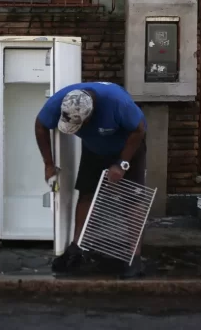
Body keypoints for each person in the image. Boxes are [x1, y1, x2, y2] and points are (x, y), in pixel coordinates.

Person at [35, 82, 147, 279]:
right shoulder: (60, 102)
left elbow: (139, 130)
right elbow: (41, 125)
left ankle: (134, 257)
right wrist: (48, 164)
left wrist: (122, 164)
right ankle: (77, 248)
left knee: (133, 199)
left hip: (127, 148)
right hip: (94, 149)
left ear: (90, 115)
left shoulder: (118, 103)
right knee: (86, 192)